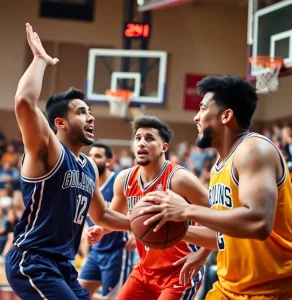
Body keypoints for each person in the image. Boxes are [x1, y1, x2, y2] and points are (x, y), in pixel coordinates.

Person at [141, 76, 292, 299]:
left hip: (274, 289)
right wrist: (171, 227)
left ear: (226, 116)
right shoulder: (219, 166)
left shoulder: (254, 150)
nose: (196, 117)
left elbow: (258, 222)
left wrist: (185, 211)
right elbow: (224, 233)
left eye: (203, 109)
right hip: (229, 288)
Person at [5, 23, 131, 300]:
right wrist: (40, 60)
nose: (91, 117)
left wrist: (139, 223)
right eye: (82, 112)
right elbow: (25, 101)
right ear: (59, 122)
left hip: (64, 266)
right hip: (34, 260)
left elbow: (102, 215)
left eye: (90, 112)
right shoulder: (48, 150)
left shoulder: (87, 166)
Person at [87, 116, 211, 300]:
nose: (141, 143)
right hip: (144, 270)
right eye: (138, 138)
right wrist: (102, 229)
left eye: (149, 138)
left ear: (164, 147)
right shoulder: (125, 179)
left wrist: (201, 256)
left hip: (180, 270)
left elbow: (217, 218)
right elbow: (114, 217)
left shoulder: (180, 179)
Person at [79, 142, 136, 298]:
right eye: (90, 156)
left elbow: (137, 209)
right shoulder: (87, 183)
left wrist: (136, 235)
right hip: (96, 251)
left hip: (117, 250)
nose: (92, 159)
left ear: (109, 161)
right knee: (77, 294)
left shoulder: (118, 182)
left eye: (97, 156)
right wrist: (84, 231)